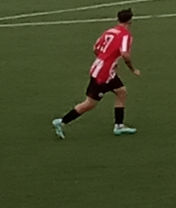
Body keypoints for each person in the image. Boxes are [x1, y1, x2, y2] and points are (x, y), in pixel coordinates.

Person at [51, 8, 140, 139]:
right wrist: (132, 69)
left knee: (121, 92)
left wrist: (105, 59)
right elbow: (125, 55)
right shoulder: (125, 35)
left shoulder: (110, 31)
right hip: (103, 74)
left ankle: (119, 126)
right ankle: (62, 122)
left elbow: (95, 48)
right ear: (130, 21)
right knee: (90, 103)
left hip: (100, 68)